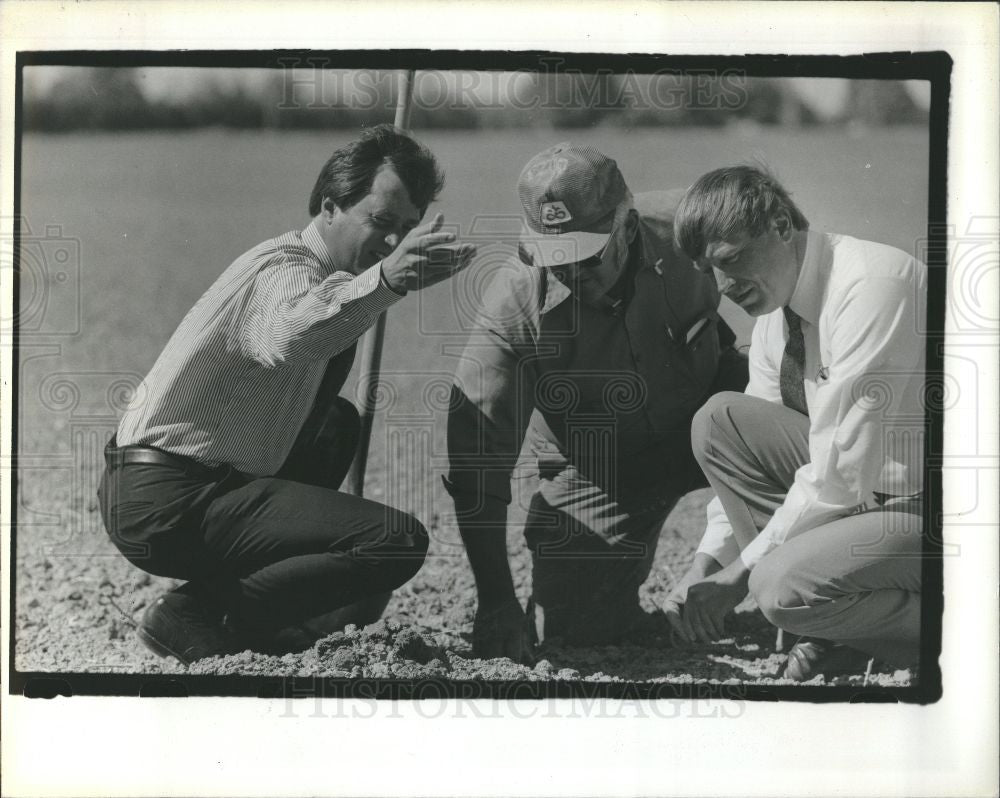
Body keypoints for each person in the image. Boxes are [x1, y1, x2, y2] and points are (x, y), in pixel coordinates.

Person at [98, 124, 476, 664]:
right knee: (395, 541)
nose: (394, 242)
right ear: (329, 207)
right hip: (170, 498)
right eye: (381, 221)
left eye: (408, 228)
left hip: (187, 489)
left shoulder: (326, 274)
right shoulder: (285, 269)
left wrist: (382, 280)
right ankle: (204, 613)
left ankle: (235, 599)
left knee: (334, 424)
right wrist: (387, 282)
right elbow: (287, 337)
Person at [445, 143, 749, 663]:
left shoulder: (693, 224)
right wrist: (496, 600)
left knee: (795, 414)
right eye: (552, 259)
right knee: (575, 626)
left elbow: (786, 264)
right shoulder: (516, 305)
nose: (568, 273)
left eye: (584, 258)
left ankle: (813, 585)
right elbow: (478, 459)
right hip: (601, 465)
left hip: (712, 416)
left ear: (628, 228)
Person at [662, 165, 926, 681]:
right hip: (869, 503)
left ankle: (953, 629)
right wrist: (707, 566)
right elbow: (751, 467)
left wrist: (741, 577)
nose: (722, 286)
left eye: (731, 259)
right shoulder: (773, 321)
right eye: (706, 270)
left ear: (781, 226)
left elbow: (840, 471)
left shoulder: (874, 284)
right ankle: (837, 623)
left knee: (777, 588)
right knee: (720, 423)